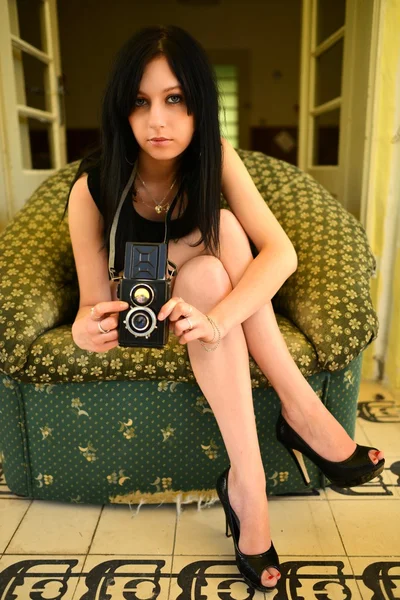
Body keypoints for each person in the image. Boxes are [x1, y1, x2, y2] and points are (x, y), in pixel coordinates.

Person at [64, 24, 385, 593]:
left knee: (222, 250)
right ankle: (302, 417)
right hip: (151, 316)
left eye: (175, 100)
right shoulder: (94, 188)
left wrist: (214, 319)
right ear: (122, 108)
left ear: (199, 105)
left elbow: (280, 253)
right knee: (222, 244)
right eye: (141, 102)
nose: (157, 121)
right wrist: (86, 330)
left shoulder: (215, 157)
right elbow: (93, 304)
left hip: (207, 307)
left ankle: (249, 483)